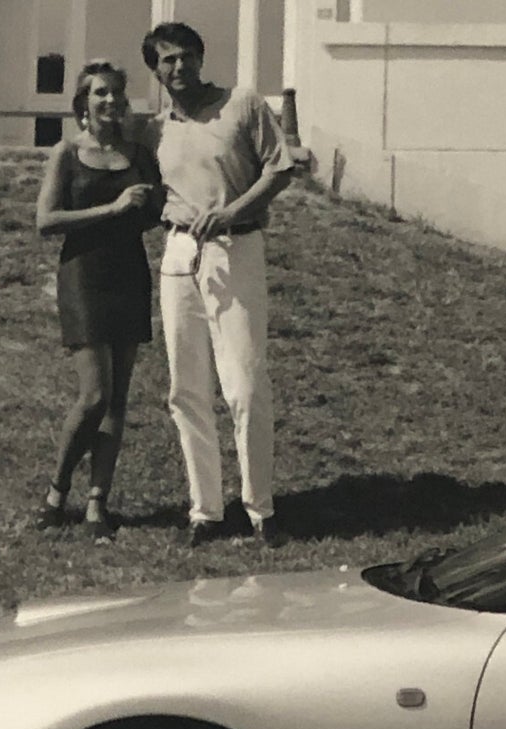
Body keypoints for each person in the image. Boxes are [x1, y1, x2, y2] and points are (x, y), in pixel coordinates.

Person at [141, 22, 294, 548]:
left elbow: (280, 170)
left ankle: (260, 509)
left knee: (245, 384)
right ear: (156, 72)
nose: (178, 68)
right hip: (179, 252)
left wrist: (230, 213)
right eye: (166, 61)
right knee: (186, 389)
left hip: (237, 247)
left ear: (201, 58)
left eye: (186, 57)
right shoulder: (156, 130)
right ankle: (205, 510)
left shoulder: (243, 105)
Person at [34, 60, 160, 541]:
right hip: (83, 274)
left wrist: (148, 209)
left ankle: (96, 504)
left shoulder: (139, 154)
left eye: (117, 93)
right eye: (100, 93)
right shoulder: (66, 153)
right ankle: (55, 492)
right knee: (94, 395)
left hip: (129, 273)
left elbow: (154, 212)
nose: (110, 101)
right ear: (83, 103)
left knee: (118, 399)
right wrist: (112, 208)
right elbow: (45, 221)